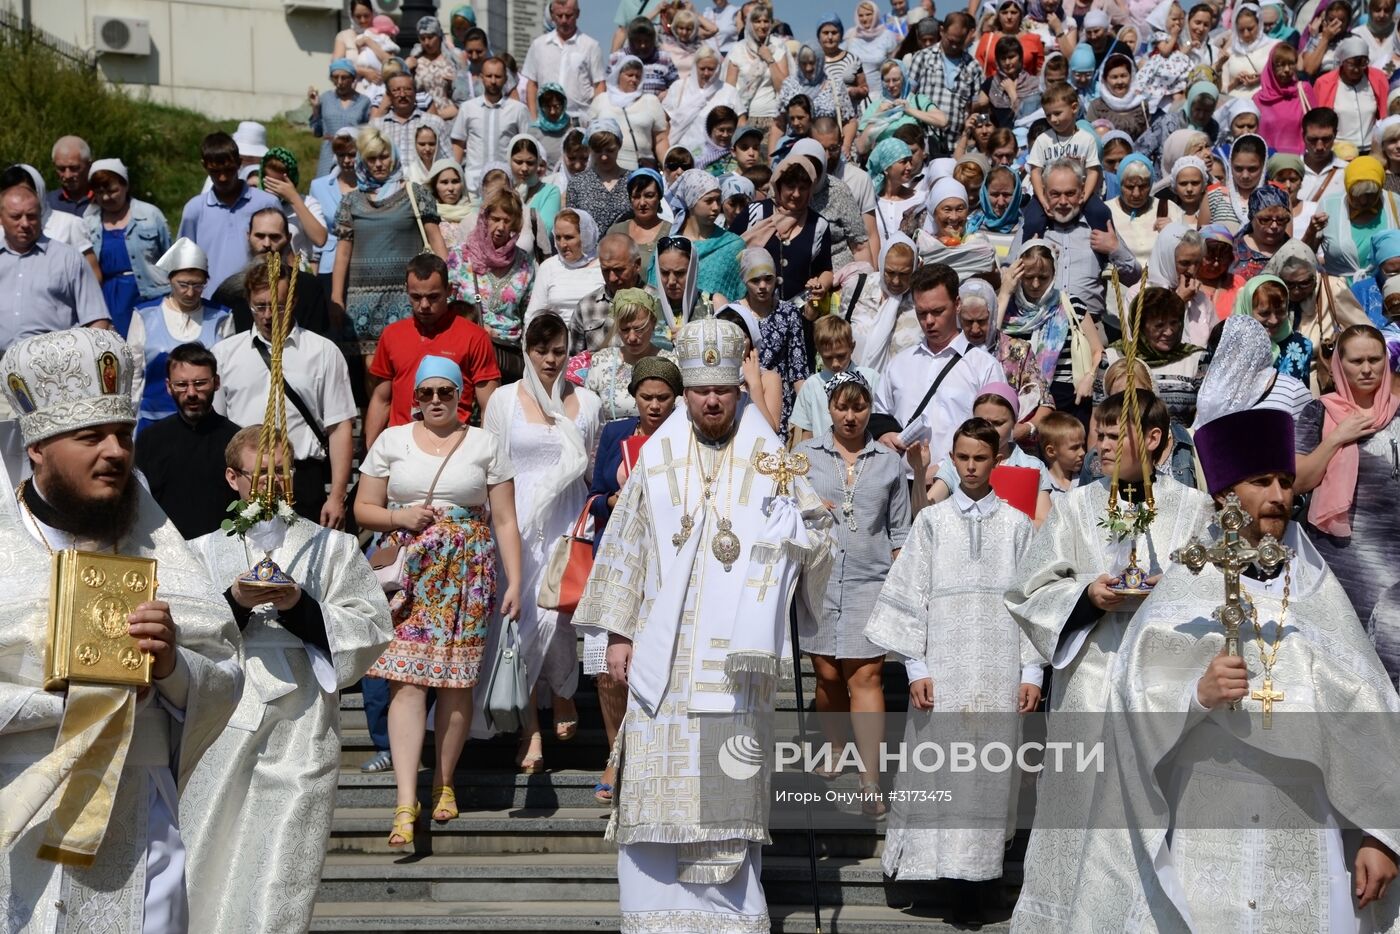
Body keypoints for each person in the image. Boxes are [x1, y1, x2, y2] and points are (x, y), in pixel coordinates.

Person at [1080, 402, 1400, 932]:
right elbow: (1131, 699)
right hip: (1208, 816)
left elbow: (1369, 707)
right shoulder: (1189, 583)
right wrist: (1195, 694)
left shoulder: (1317, 589)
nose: (1278, 497)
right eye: (1261, 482)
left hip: (1301, 819)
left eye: (1284, 482)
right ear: (1226, 493)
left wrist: (1381, 833)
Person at [573, 316, 832, 932]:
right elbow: (628, 546)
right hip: (664, 654)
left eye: (723, 389)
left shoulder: (772, 457)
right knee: (659, 786)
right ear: (685, 390)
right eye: (699, 390)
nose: (711, 400)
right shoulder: (656, 458)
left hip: (736, 661)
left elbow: (819, 535)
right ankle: (655, 917)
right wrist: (618, 633)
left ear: (739, 390)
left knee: (725, 785)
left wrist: (799, 537)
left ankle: (727, 919)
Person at [0, 327, 239, 931]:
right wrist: (61, 705)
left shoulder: (159, 544)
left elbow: (225, 671)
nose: (115, 451)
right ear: (37, 448)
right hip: (17, 809)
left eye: (123, 435)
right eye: (91, 437)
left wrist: (172, 664)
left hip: (139, 822)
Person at [1004, 386, 1215, 929]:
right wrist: (1086, 596)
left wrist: (1171, 593)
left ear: (1151, 439)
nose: (1101, 443)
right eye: (1099, 431)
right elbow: (1027, 590)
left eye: (1115, 433)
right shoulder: (1075, 507)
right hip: (1090, 684)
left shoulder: (1193, 509)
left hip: (1165, 691)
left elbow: (1217, 595)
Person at [182, 426, 391, 932]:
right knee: (205, 855)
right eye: (261, 475)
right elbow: (182, 634)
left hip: (301, 723)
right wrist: (234, 605)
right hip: (222, 722)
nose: (275, 486)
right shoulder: (200, 551)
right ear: (234, 478)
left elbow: (371, 626)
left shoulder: (333, 550)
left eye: (284, 473)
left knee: (282, 867)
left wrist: (301, 608)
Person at [866, 415, 1041, 920]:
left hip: (998, 669)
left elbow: (1032, 604)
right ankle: (935, 879)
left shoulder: (1017, 526)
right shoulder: (931, 523)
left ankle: (981, 886)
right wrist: (915, 667)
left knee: (989, 774)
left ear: (997, 460)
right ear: (951, 459)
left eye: (980, 458)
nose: (969, 467)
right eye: (961, 457)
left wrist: (1032, 673)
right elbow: (909, 598)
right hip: (942, 667)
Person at [356, 355, 523, 847]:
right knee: (405, 683)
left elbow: (506, 519)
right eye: (426, 393)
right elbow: (364, 508)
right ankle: (405, 800)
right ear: (415, 398)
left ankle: (444, 778)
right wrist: (398, 518)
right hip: (411, 573)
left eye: (444, 393)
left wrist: (515, 581)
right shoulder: (392, 441)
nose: (435, 401)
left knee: (455, 683)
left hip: (469, 572)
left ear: (460, 397)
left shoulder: (485, 444)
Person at [482, 313, 602, 771]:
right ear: (527, 351)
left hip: (570, 518)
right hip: (517, 518)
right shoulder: (503, 400)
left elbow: (593, 465)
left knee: (563, 614)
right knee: (524, 620)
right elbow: (493, 465)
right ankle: (531, 728)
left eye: (558, 350)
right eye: (541, 350)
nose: (550, 360)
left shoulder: (588, 402)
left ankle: (565, 692)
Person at [793, 368, 908, 811]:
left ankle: (870, 779)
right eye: (842, 406)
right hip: (819, 578)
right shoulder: (804, 455)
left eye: (859, 406)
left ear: (870, 408)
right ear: (829, 408)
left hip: (870, 580)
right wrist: (807, 506)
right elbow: (780, 510)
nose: (851, 415)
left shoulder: (889, 461)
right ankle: (836, 746)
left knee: (866, 676)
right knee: (826, 674)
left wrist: (904, 592)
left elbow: (899, 532)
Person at [582, 354, 682, 803]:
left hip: (668, 567)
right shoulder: (616, 433)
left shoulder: (687, 437)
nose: (655, 406)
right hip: (619, 561)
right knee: (607, 671)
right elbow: (594, 493)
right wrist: (611, 500)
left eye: (663, 398)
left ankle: (650, 756)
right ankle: (614, 756)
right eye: (647, 397)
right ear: (634, 397)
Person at [213, 257, 357, 529]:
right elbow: (219, 427)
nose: (268, 316)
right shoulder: (224, 354)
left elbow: (339, 428)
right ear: (248, 301)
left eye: (278, 306)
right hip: (245, 479)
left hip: (301, 478)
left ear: (294, 300)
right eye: (260, 306)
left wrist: (337, 497)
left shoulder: (323, 353)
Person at [1294, 325, 1400, 680]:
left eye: (1375, 359)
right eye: (1357, 361)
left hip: (1394, 548)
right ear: (1339, 365)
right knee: (1354, 662)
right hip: (1343, 555)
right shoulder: (1320, 412)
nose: (1367, 368)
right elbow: (1298, 480)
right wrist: (1338, 437)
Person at [332, 128, 447, 364]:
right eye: (371, 158)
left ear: (393, 156)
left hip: (407, 296)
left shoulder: (415, 194)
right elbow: (343, 253)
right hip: (362, 299)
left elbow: (436, 240)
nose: (378, 164)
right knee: (371, 369)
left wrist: (445, 283)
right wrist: (336, 297)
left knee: (408, 362)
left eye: (383, 157)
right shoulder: (351, 201)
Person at [870, 263, 1003, 467]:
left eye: (938, 311)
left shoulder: (985, 367)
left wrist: (945, 473)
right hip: (901, 483)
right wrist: (885, 434)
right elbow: (880, 412)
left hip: (958, 486)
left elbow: (995, 433)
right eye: (922, 313)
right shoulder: (898, 364)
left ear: (957, 304)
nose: (929, 321)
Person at [366, 255, 501, 449]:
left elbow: (490, 404)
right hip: (401, 446)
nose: (424, 305)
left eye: (433, 296)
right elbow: (381, 399)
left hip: (453, 446)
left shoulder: (474, 337)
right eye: (416, 297)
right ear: (407, 290)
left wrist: (484, 452)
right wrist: (370, 453)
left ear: (449, 290)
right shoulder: (392, 335)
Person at [1009, 158, 1141, 337]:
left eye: (1070, 193)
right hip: (1039, 330)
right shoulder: (1032, 230)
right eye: (1055, 194)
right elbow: (1007, 278)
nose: (1063, 201)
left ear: (1082, 193)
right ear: (1044, 194)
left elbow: (1135, 279)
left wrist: (1115, 249)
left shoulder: (1099, 227)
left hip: (1090, 332)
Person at [127, 237, 232, 430]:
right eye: (183, 285)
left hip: (206, 421)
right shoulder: (145, 315)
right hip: (154, 419)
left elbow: (229, 374)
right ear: (170, 280)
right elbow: (133, 374)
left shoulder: (221, 317)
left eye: (198, 285)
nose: (190, 292)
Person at [0, 184, 110, 360]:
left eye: (31, 216)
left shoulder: (69, 258)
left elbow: (97, 320)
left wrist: (81, 363)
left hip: (55, 370)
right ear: (1, 218)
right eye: (15, 217)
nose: (25, 224)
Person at [927, 385, 1054, 524]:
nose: (989, 430)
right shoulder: (958, 463)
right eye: (981, 423)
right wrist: (920, 471)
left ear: (1014, 423)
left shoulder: (1032, 466)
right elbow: (926, 510)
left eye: (997, 423)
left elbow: (1044, 521)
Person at [178, 131, 281, 299]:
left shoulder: (266, 203)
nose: (223, 177)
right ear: (204, 166)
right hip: (209, 303)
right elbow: (184, 262)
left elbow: (281, 254)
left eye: (229, 169)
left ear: (240, 163)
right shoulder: (195, 209)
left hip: (258, 301)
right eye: (215, 171)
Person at [210, 209, 331, 338]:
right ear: (248, 236)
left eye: (275, 237)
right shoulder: (228, 292)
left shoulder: (309, 288)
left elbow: (316, 340)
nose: (267, 244)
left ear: (288, 238)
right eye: (260, 236)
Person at [83, 159, 171, 337]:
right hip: (110, 300)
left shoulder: (150, 215)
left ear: (126, 185)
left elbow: (169, 256)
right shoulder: (88, 223)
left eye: (112, 191)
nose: (107, 197)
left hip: (149, 295)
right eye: (100, 193)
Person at [1098, 286, 1207, 422]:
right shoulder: (1113, 358)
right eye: (1159, 325)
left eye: (1174, 323)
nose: (1169, 332)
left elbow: (1204, 417)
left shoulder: (1197, 359)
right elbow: (1098, 418)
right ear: (1140, 327)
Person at [584, 289, 678, 420]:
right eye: (625, 329)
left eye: (640, 328)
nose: (632, 337)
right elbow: (588, 410)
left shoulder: (671, 362)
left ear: (653, 323)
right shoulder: (602, 361)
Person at [791, 316, 882, 442]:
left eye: (841, 356)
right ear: (818, 352)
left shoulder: (870, 378)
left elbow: (880, 421)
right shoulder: (812, 385)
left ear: (852, 346)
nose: (835, 364)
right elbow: (805, 430)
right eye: (828, 357)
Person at [451, 58, 533, 192]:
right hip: (473, 186)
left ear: (506, 79)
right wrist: (455, 173)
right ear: (481, 78)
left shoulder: (518, 110)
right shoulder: (467, 108)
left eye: (498, 76)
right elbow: (459, 143)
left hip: (507, 186)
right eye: (489, 76)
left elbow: (527, 146)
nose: (493, 81)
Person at [1317, 156, 1399, 284]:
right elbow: (1309, 252)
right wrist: (1312, 231)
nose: (1364, 201)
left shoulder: (1395, 203)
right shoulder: (1328, 205)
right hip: (1341, 294)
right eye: (1357, 194)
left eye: (1371, 195)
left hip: (1387, 290)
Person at [846, 233, 920, 374]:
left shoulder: (920, 300)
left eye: (904, 274)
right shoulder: (858, 288)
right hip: (851, 388)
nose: (896, 281)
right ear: (881, 264)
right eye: (890, 272)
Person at [523, 0, 608, 121]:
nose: (564, 20)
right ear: (552, 15)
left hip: (578, 120)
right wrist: (533, 118)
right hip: (546, 120)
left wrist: (594, 118)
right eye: (559, 15)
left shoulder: (590, 46)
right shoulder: (539, 45)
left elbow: (599, 85)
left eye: (568, 16)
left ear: (577, 14)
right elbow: (532, 84)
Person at [669, 171, 746, 305]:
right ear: (691, 200)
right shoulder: (670, 245)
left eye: (718, 200)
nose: (716, 207)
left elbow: (741, 295)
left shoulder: (733, 245)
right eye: (709, 201)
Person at [525, 209, 605, 334]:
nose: (562, 244)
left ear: (585, 236)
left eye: (569, 237)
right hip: (557, 345)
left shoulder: (603, 267)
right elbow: (533, 315)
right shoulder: (548, 267)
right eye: (558, 237)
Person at [589, 56, 670, 172]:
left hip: (641, 170)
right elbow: (588, 137)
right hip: (605, 169)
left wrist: (667, 168)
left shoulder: (651, 101)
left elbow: (661, 140)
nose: (634, 80)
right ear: (618, 75)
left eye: (638, 76)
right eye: (630, 75)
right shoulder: (601, 100)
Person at [723, 2, 791, 131]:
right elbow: (729, 91)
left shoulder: (778, 47)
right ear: (749, 23)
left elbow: (784, 88)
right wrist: (740, 119)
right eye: (757, 21)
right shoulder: (738, 50)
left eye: (766, 21)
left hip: (773, 120)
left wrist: (769, 59)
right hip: (743, 119)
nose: (762, 25)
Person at [1313, 36, 1388, 153]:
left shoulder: (1377, 79)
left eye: (1363, 64)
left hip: (1371, 150)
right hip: (1339, 151)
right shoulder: (1324, 83)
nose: (1357, 70)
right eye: (1352, 64)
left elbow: (1384, 113)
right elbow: (1317, 120)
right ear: (1343, 61)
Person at [1233, 273, 1314, 381]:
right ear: (1247, 309)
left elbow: (1302, 395)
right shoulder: (1230, 346)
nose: (1274, 320)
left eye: (1280, 312)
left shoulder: (1301, 346)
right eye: (1264, 313)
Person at [666, 45, 742, 152]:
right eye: (702, 68)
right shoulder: (678, 88)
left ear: (718, 69)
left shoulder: (729, 91)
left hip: (717, 157)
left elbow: (741, 123)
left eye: (711, 69)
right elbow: (664, 123)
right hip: (680, 154)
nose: (706, 73)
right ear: (695, 66)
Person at [309, 59, 374, 180]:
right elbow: (316, 132)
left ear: (353, 78)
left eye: (344, 77)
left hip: (352, 155)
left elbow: (367, 133)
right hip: (329, 153)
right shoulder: (326, 98)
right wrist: (315, 107)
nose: (339, 82)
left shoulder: (363, 101)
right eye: (335, 77)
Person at [566, 120, 633, 231]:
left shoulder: (632, 180)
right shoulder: (577, 183)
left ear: (619, 146)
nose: (604, 157)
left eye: (610, 151)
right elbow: (572, 225)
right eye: (598, 151)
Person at [610, 168, 671, 278]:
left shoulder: (671, 232)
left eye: (649, 195)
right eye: (636, 197)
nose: (642, 203)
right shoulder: (615, 233)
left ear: (659, 197)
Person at [509, 135, 562, 258]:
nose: (524, 168)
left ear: (538, 162)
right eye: (518, 162)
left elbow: (544, 232)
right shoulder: (503, 191)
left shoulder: (550, 192)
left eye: (530, 162)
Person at [406, 15, 459, 118]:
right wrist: (405, 68)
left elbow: (463, 94)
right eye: (422, 38)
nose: (427, 42)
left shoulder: (452, 61)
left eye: (430, 37)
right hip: (420, 117)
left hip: (448, 117)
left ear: (439, 36)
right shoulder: (415, 61)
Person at [1039, 408, 1088, 497]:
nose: (1082, 452)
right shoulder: (1041, 485)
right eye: (1075, 448)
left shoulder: (1085, 481)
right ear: (1051, 451)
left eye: (1082, 446)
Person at [47, 134, 92, 216]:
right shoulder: (48, 204)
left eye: (74, 168)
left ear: (89, 165)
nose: (67, 176)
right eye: (61, 169)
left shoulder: (104, 201)